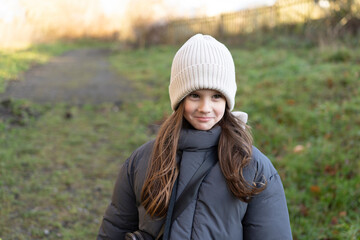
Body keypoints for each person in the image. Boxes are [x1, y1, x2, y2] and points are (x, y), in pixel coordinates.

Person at [97, 34, 292, 240]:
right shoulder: (141, 161)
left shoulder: (253, 167)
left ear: (228, 100)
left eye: (216, 96)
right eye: (195, 95)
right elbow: (115, 227)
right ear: (179, 98)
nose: (205, 108)